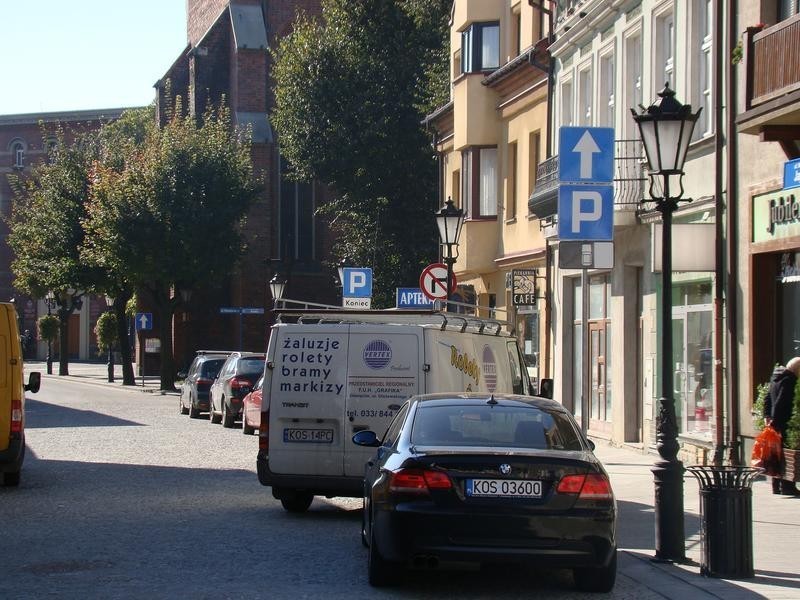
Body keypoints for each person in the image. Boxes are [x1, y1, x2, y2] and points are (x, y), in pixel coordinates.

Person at [764, 357, 800, 495]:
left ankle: (776, 485)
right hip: (784, 422)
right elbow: (781, 402)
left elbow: (768, 398)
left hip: (774, 422)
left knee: (775, 454)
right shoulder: (790, 380)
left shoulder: (776, 377)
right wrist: (777, 420)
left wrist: (767, 417)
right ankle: (787, 486)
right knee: (786, 454)